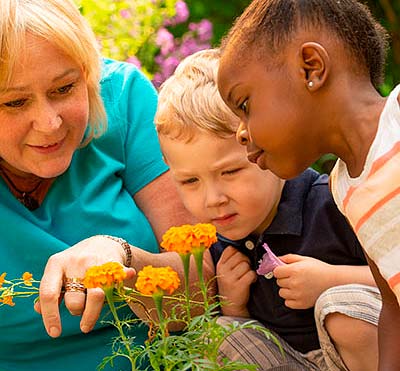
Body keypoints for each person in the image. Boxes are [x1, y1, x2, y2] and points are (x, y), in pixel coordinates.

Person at [0, 1, 206, 370]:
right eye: (15, 102)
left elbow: (204, 291)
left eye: (64, 88)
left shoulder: (124, 99)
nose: (49, 123)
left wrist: (123, 258)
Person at [155, 48, 381, 371]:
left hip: (364, 357)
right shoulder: (218, 244)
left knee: (342, 309)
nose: (213, 198)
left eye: (230, 172)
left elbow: (393, 276)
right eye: (190, 181)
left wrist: (329, 280)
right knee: (219, 333)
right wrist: (234, 309)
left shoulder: (330, 203)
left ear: (269, 146)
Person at [216, 0, 400, 369]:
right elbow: (392, 312)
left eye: (245, 104)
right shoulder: (345, 189)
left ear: (310, 68)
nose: (240, 132)